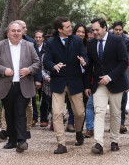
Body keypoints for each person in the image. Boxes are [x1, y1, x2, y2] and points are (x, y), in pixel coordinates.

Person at [0, 21, 41, 153]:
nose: (16, 33)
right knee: (9, 114)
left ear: (22, 32)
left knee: (20, 112)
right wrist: (4, 70)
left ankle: (22, 140)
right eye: (13, 31)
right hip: (6, 85)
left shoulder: (29, 45)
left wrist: (29, 70)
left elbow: (38, 62)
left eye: (18, 31)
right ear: (8, 33)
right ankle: (12, 140)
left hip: (24, 84)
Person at [43, 16, 88, 154]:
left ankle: (79, 131)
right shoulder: (50, 42)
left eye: (70, 26)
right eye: (67, 27)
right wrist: (53, 66)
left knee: (80, 113)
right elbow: (46, 61)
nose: (70, 28)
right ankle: (61, 144)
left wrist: (84, 62)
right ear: (59, 30)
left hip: (75, 81)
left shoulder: (77, 40)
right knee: (57, 113)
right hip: (58, 82)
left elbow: (84, 56)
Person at [85, 18, 129, 154]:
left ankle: (114, 140)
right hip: (98, 85)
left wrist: (109, 77)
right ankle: (98, 143)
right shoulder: (91, 43)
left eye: (97, 29)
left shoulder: (117, 40)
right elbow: (90, 66)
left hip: (116, 82)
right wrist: (87, 85)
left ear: (104, 28)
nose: (95, 32)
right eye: (93, 30)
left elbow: (124, 62)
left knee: (116, 113)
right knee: (99, 112)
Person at [72, 23, 94, 138]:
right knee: (73, 105)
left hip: (85, 79)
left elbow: (90, 66)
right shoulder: (70, 44)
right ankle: (74, 126)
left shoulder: (88, 46)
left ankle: (81, 129)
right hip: (72, 79)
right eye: (78, 31)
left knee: (84, 105)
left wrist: (84, 63)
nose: (80, 34)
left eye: (83, 32)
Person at [112, 20, 129, 134]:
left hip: (123, 72)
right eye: (116, 30)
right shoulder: (109, 39)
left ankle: (121, 123)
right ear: (113, 30)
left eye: (120, 30)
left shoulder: (128, 41)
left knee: (123, 100)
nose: (118, 32)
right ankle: (114, 123)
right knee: (113, 100)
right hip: (111, 72)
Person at [34, 30, 50, 127]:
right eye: (36, 37)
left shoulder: (46, 48)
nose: (38, 39)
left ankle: (44, 119)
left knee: (44, 98)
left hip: (44, 76)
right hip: (34, 75)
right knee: (32, 98)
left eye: (40, 37)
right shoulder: (32, 46)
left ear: (43, 38)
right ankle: (34, 118)